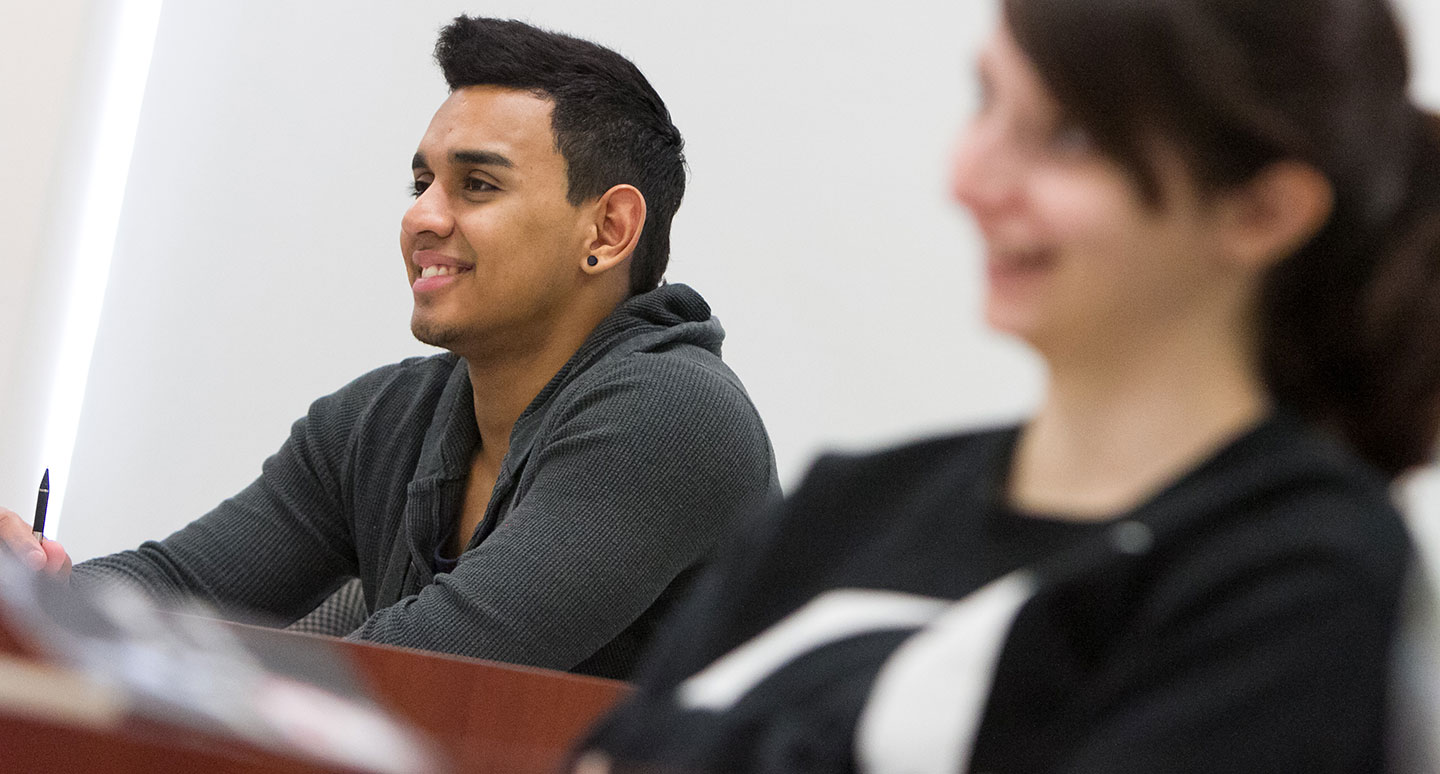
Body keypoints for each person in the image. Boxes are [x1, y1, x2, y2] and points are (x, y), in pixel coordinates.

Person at [573, 0, 1440, 769]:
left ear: (1262, 212)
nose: (973, 179)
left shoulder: (1294, 571)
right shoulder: (849, 505)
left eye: (1069, 137)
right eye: (988, 101)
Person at [0, 16, 778, 680]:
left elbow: (410, 676)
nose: (422, 219)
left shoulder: (673, 417)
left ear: (607, 231)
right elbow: (174, 585)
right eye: (421, 185)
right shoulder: (380, 421)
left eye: (477, 186)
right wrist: (32, 596)